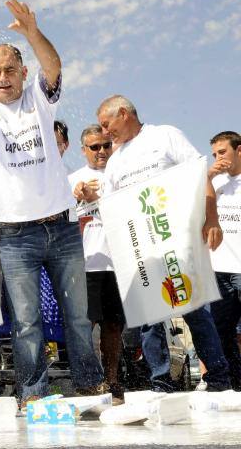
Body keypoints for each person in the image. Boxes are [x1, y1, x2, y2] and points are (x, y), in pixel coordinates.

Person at [0, 0, 105, 403]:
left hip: (62, 227)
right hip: (14, 237)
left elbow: (54, 67)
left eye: (10, 70)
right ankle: (33, 393)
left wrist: (32, 31)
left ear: (23, 72)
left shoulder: (39, 98)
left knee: (78, 318)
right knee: (26, 322)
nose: (2, 78)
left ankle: (88, 383)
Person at [97, 94, 230, 392]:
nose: (106, 133)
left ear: (123, 113)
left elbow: (199, 176)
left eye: (107, 124)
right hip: (141, 248)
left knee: (195, 308)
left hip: (177, 240)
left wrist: (212, 219)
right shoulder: (115, 161)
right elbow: (111, 205)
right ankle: (160, 382)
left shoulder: (165, 135)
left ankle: (218, 379)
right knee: (149, 317)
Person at [69, 125, 125, 403]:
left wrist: (99, 199)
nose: (102, 151)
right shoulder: (73, 179)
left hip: (119, 263)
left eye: (106, 145)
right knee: (85, 324)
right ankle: (87, 380)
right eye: (95, 147)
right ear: (84, 151)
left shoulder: (122, 173)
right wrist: (77, 197)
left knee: (114, 326)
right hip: (86, 263)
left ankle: (112, 379)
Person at [206, 131, 241, 390]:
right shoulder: (215, 184)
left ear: (239, 150)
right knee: (222, 332)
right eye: (214, 154)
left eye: (222, 152)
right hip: (218, 270)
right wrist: (207, 176)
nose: (218, 158)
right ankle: (235, 383)